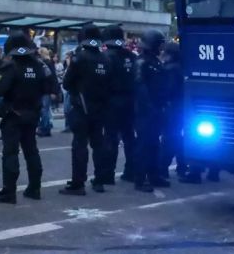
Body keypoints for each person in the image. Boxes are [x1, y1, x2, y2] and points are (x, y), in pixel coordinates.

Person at [0, 31, 47, 204]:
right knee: (31, 151)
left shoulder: (11, 66)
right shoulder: (39, 65)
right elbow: (49, 86)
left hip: (13, 114)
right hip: (33, 113)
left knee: (10, 153)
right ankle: (34, 188)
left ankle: (9, 191)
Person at [61, 25, 111, 195]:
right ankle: (99, 181)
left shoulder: (79, 58)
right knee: (99, 145)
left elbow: (66, 83)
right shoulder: (106, 59)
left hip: (82, 107)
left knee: (80, 145)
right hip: (101, 108)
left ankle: (78, 183)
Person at [133, 30, 171, 192]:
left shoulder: (154, 61)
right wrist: (149, 107)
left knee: (154, 143)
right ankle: (140, 179)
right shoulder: (142, 62)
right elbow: (140, 87)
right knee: (144, 144)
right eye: (159, 44)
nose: (162, 47)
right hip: (145, 111)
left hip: (156, 108)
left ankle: (154, 175)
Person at [101, 25, 137, 183]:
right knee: (129, 137)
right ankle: (131, 171)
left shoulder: (106, 57)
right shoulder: (131, 56)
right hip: (130, 100)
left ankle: (108, 174)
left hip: (111, 101)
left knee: (111, 138)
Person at [159, 42, 186, 179]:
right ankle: (182, 166)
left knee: (169, 138)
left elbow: (167, 90)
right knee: (178, 137)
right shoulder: (181, 67)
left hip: (171, 107)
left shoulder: (169, 69)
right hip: (181, 106)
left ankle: (163, 167)